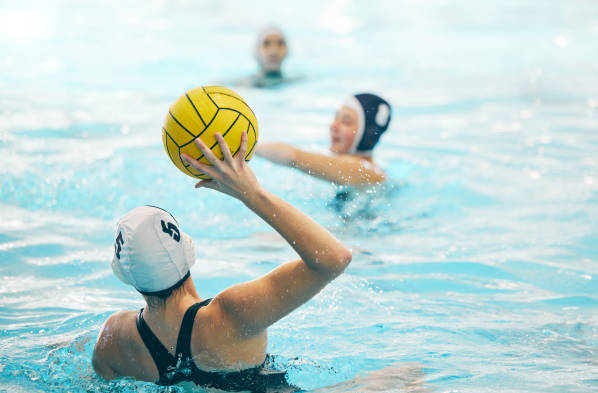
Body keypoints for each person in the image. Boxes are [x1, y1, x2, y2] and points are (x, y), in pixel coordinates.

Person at [92, 132, 352, 392]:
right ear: (188, 250)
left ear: (124, 274)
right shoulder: (231, 316)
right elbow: (333, 259)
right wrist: (252, 194)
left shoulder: (113, 340)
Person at [255, 93, 392, 187]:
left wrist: (249, 146)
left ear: (367, 134)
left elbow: (294, 157)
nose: (334, 126)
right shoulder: (366, 170)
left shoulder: (362, 170)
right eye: (336, 117)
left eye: (346, 120)